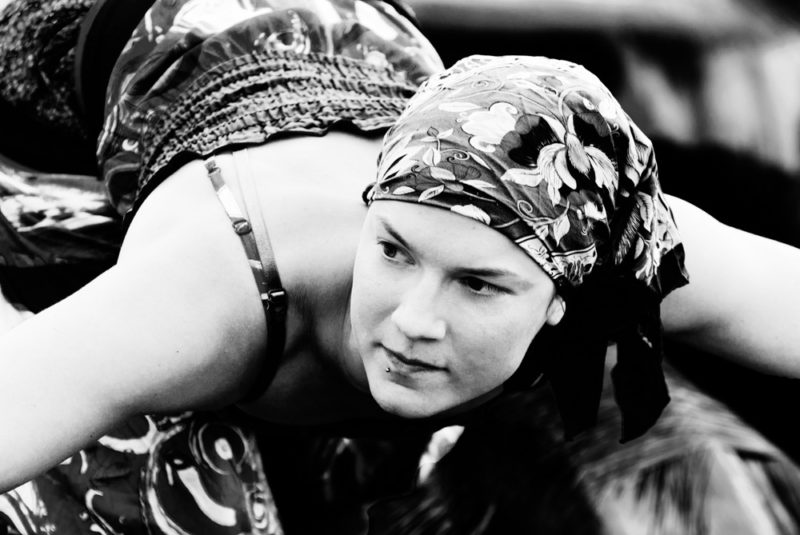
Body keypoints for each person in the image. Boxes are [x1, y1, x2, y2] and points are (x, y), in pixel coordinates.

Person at [3, 2, 800, 534]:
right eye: (393, 250)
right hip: (77, 50)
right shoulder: (212, 296)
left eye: (477, 283)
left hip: (367, 37)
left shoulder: (621, 246)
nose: (413, 321)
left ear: (572, 294)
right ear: (371, 212)